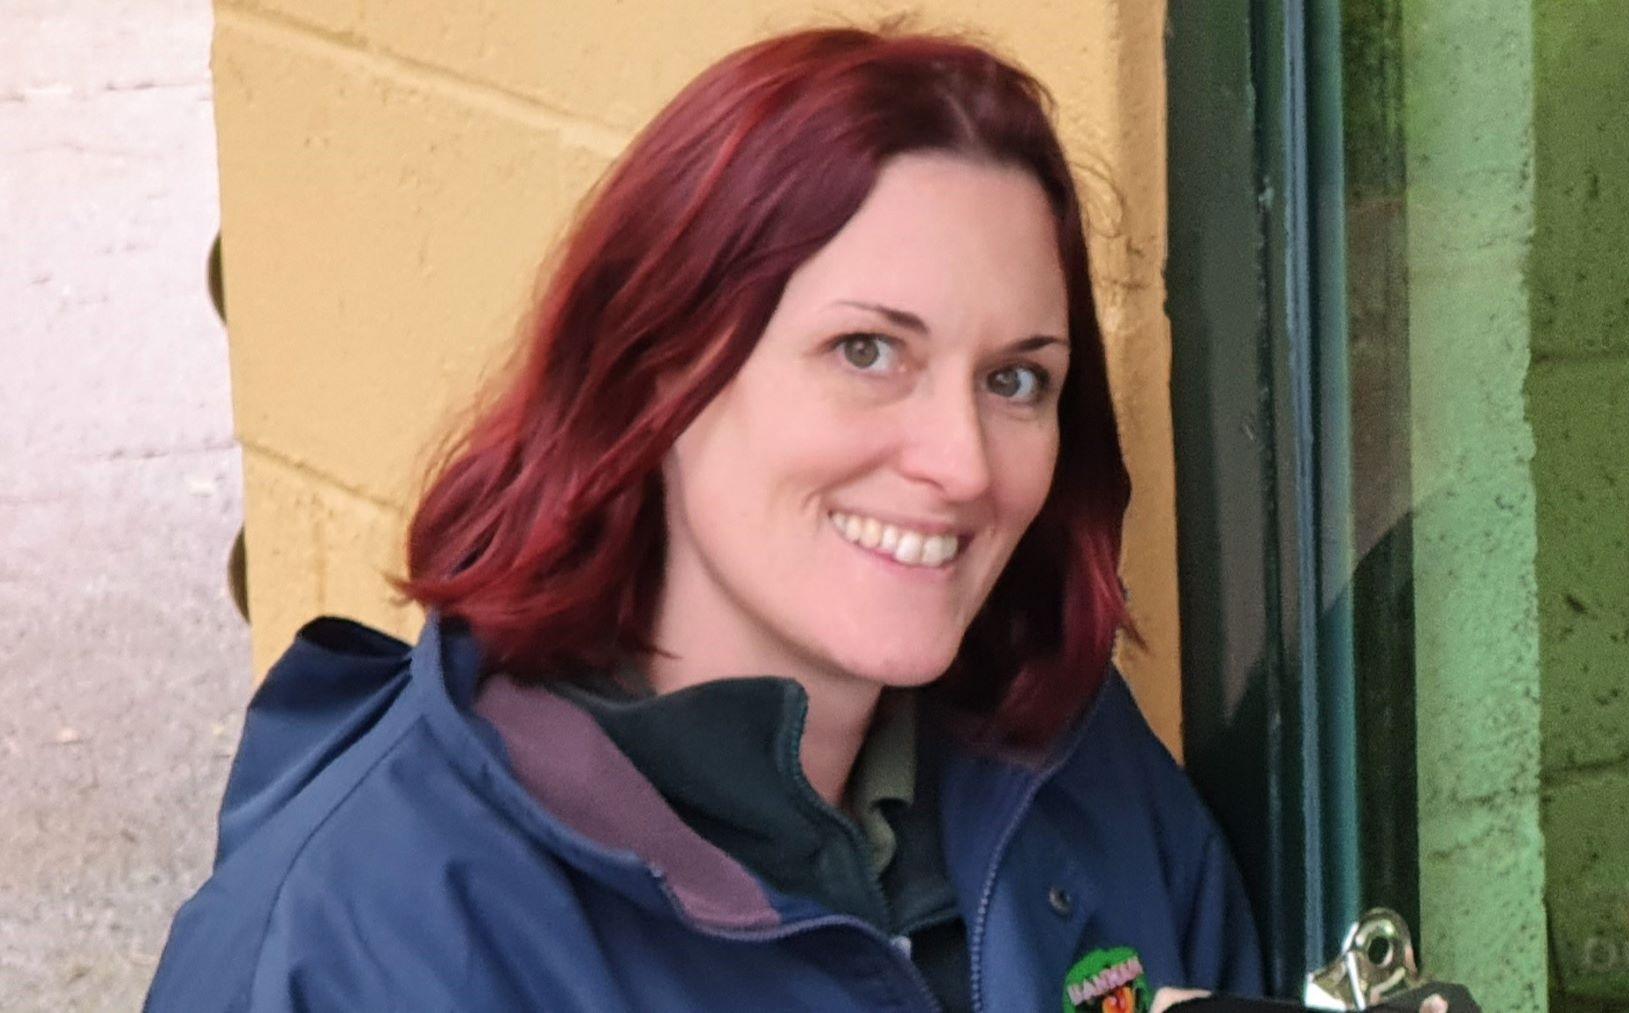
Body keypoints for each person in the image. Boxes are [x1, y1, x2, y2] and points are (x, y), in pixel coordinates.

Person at [147, 26, 1264, 1011]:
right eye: (867, 352)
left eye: (1016, 379)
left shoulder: (1070, 760)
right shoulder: (359, 938)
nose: (961, 461)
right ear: (653, 379)